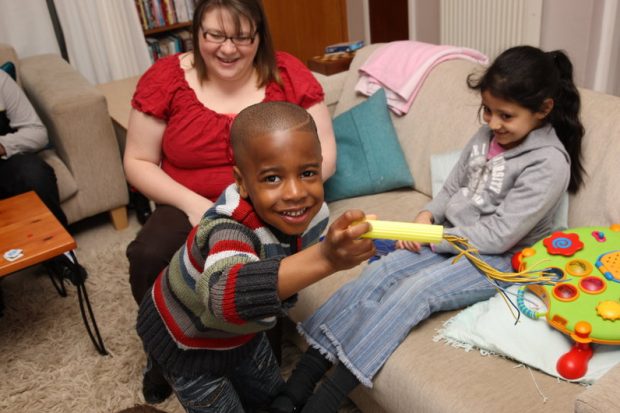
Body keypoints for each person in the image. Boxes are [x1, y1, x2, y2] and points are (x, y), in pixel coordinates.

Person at [270, 45, 586, 413]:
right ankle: (299, 385)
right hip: (448, 238)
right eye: (488, 110)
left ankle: (324, 401)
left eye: (506, 115)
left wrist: (433, 240)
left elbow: (500, 236)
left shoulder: (548, 163)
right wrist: (426, 217)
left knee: (413, 294)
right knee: (381, 273)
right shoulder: (488, 136)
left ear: (543, 110)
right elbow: (452, 187)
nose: (493, 123)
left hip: (498, 259)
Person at [124, 0, 337, 401]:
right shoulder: (165, 78)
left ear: (260, 36)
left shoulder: (289, 73)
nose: (228, 48)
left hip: (267, 203)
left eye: (241, 37)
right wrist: (194, 205)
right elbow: (137, 159)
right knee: (150, 253)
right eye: (215, 35)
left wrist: (283, 194)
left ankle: (252, 361)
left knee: (268, 273)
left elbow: (322, 153)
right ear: (196, 33)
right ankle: (165, 357)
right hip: (185, 199)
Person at [135, 101, 375, 412]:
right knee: (187, 378)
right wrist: (326, 258)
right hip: (186, 339)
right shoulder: (229, 227)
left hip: (245, 333)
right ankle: (155, 373)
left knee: (271, 396)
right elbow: (223, 296)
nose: (295, 192)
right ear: (241, 182)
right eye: (273, 178)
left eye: (307, 172)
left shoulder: (317, 217)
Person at [0, 69, 68, 228]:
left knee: (34, 173)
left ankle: (60, 248)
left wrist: (3, 145)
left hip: (5, 162)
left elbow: (37, 133)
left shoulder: (1, 81)